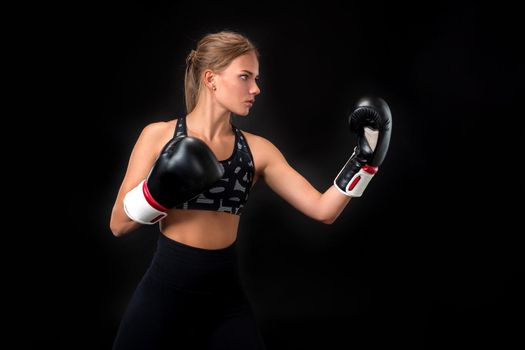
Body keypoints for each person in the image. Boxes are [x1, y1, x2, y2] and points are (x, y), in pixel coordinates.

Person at [109, 30, 392, 350]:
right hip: (165, 289)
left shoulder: (258, 151)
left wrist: (365, 163)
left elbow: (323, 210)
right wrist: (156, 192)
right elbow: (119, 225)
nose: (256, 88)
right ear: (211, 79)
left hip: (224, 299)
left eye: (255, 78)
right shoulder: (158, 136)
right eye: (245, 77)